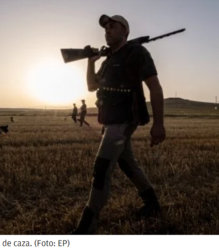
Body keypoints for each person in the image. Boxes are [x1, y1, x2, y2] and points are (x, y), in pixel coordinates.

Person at [71, 14, 166, 234]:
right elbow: (91, 86)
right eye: (105, 27)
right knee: (126, 163)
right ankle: (152, 204)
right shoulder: (107, 61)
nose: (107, 30)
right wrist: (90, 61)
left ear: (125, 31)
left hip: (125, 120)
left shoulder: (137, 53)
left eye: (113, 26)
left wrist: (159, 124)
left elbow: (156, 88)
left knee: (101, 167)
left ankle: (87, 227)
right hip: (110, 120)